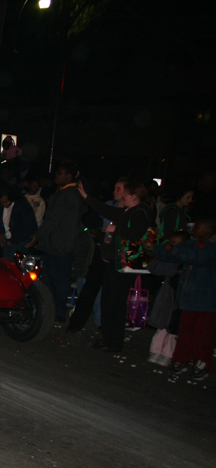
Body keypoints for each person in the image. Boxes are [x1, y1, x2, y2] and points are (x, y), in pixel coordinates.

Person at [76, 178, 151, 352]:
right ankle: (109, 338)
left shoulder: (141, 212)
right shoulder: (127, 211)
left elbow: (135, 234)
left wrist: (115, 230)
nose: (122, 196)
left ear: (134, 196)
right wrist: (87, 197)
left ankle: (113, 342)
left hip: (124, 264)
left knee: (115, 303)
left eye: (126, 193)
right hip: (115, 262)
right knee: (108, 301)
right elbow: (107, 210)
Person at [144, 218, 216, 380]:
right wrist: (154, 248)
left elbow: (199, 258)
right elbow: (174, 254)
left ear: (208, 230)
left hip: (207, 299)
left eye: (198, 226)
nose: (194, 228)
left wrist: (173, 251)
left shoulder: (210, 247)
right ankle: (181, 360)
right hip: (188, 296)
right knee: (184, 331)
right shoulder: (192, 244)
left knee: (203, 334)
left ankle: (202, 363)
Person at [36, 161, 85, 325]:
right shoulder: (66, 192)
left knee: (56, 280)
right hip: (59, 243)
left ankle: (56, 312)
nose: (56, 176)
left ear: (69, 175)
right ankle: (54, 311)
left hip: (59, 244)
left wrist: (39, 236)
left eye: (60, 173)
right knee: (55, 279)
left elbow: (53, 220)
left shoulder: (68, 194)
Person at [0, 189, 38, 261]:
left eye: (6, 202)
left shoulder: (22, 207)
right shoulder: (1, 208)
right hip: (8, 237)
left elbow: (26, 226)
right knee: (6, 259)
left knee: (13, 260)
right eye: (2, 203)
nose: (5, 204)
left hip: (21, 239)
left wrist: (13, 241)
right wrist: (1, 233)